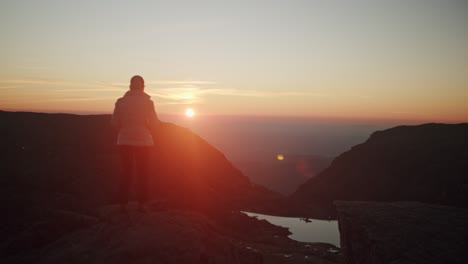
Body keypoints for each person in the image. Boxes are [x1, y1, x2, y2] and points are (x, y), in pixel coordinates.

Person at [111, 75, 160, 211]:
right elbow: (155, 123)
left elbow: (114, 122)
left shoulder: (120, 102)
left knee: (126, 171)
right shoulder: (148, 103)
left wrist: (124, 129)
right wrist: (148, 128)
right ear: (143, 86)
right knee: (143, 172)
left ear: (130, 86)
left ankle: (123, 204)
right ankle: (142, 204)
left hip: (124, 140)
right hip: (143, 141)